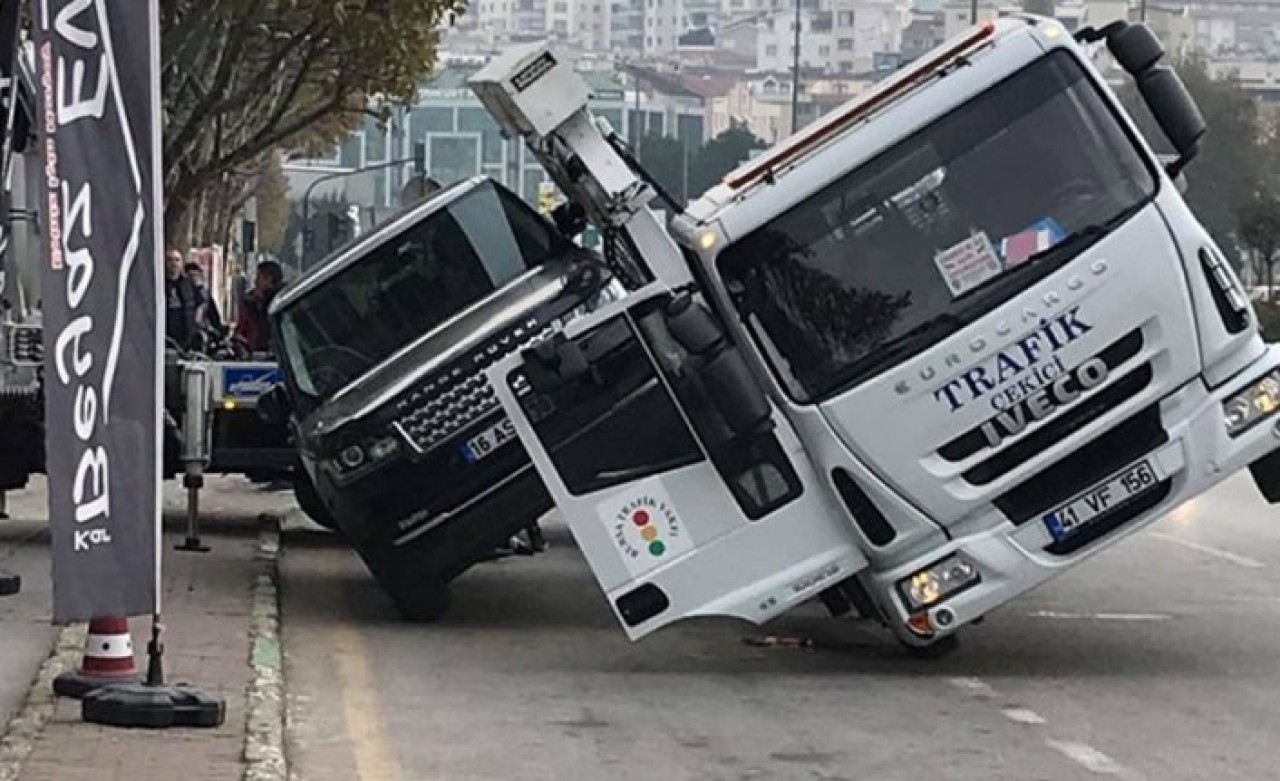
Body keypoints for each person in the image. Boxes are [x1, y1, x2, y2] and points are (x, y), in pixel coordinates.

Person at [234, 261, 284, 354]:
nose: (255, 282)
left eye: (258, 278)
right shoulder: (252, 303)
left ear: (269, 280)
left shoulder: (277, 306)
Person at [164, 248, 200, 350]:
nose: (173, 263)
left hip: (185, 335)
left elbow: (200, 303)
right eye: (170, 260)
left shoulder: (188, 284)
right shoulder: (159, 285)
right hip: (165, 334)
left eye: (177, 260)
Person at [185, 261, 225, 339]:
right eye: (190, 276)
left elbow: (213, 315)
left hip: (201, 333)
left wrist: (219, 331)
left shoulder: (204, 294)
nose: (193, 279)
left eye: (196, 275)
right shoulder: (181, 293)